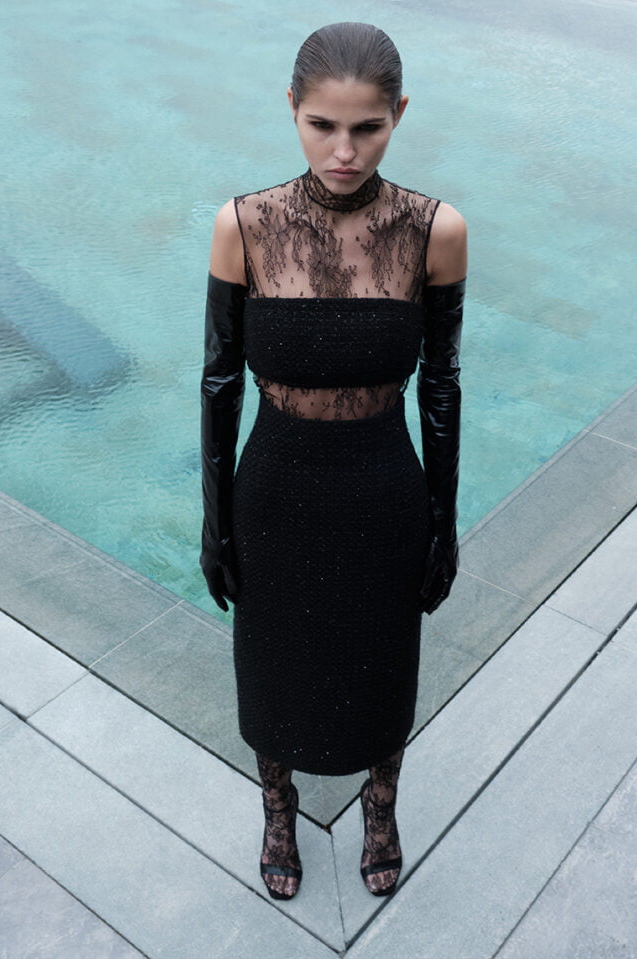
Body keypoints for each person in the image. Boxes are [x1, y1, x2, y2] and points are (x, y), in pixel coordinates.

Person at [200, 21, 466, 901]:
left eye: (367, 128)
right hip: (274, 487)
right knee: (271, 661)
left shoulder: (435, 229)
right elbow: (217, 382)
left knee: (384, 660)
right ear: (292, 110)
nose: (343, 150)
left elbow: (442, 385)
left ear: (398, 115)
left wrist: (443, 517)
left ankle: (380, 809)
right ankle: (276, 808)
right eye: (322, 125)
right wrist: (215, 519)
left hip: (383, 489)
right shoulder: (243, 224)